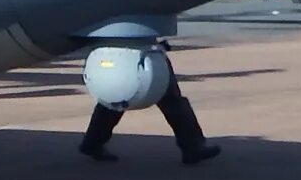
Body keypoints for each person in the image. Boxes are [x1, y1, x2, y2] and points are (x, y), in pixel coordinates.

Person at [78, 45, 221, 165]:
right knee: (168, 95)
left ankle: (93, 141)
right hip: (142, 48)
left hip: (117, 45)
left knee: (118, 93)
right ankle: (192, 146)